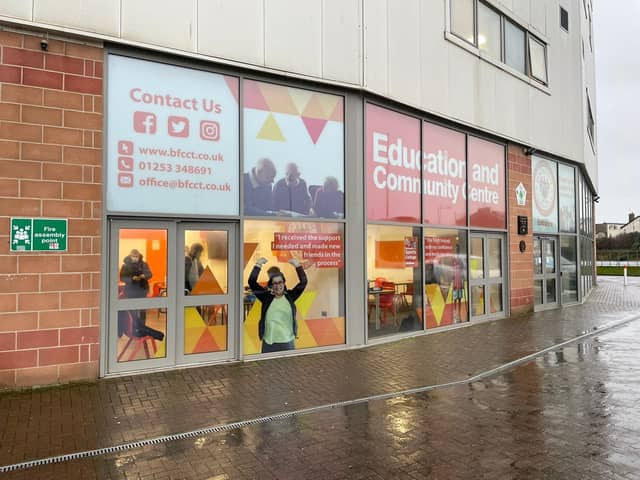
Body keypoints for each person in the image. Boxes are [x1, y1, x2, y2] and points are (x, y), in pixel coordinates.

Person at [248, 257, 307, 353]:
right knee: (267, 367)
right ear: (271, 286)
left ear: (284, 283)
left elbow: (303, 282)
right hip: (269, 342)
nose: (278, 285)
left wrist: (298, 266)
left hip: (287, 341)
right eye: (274, 283)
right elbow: (252, 282)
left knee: (289, 368)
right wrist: (258, 265)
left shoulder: (290, 296)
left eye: (280, 282)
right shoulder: (266, 297)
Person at [119, 250, 164, 341]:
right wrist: (131, 279)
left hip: (142, 290)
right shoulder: (125, 266)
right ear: (130, 256)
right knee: (133, 310)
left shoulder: (144, 264)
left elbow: (150, 274)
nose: (135, 258)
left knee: (143, 310)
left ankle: (142, 327)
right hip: (131, 291)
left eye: (137, 256)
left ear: (139, 256)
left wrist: (144, 276)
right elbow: (122, 278)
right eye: (133, 256)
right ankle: (135, 328)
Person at [452, 250, 466, 323]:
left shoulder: (461, 264)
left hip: (460, 284)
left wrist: (463, 284)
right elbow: (452, 274)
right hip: (455, 284)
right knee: (455, 298)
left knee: (459, 298)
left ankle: (459, 312)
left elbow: (463, 275)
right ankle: (455, 311)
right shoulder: (453, 263)